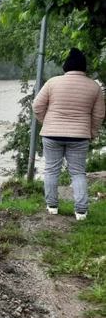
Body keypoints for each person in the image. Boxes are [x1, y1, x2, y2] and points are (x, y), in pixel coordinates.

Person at [33, 48, 105, 220]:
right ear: (84, 68)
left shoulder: (52, 83)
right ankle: (81, 211)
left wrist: (47, 122)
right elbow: (99, 115)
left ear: (66, 67)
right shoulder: (94, 87)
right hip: (80, 135)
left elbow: (37, 105)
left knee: (51, 170)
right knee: (78, 172)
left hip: (52, 135)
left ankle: (52, 207)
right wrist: (92, 132)